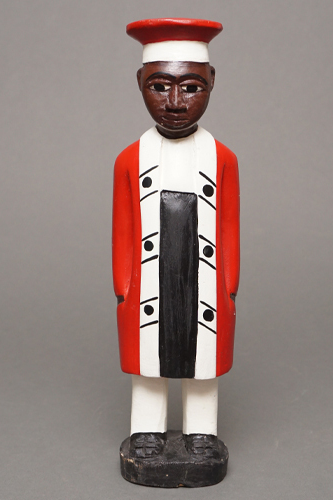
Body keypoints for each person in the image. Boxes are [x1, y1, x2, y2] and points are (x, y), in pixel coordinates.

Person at [112, 18, 240, 464]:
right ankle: (145, 429)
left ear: (212, 82)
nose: (174, 102)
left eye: (190, 88)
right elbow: (124, 231)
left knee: (202, 358)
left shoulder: (222, 158)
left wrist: (229, 285)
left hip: (203, 281)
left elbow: (229, 230)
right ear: (139, 83)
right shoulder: (130, 160)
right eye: (159, 86)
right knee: (149, 359)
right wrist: (124, 287)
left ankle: (202, 432)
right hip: (150, 282)